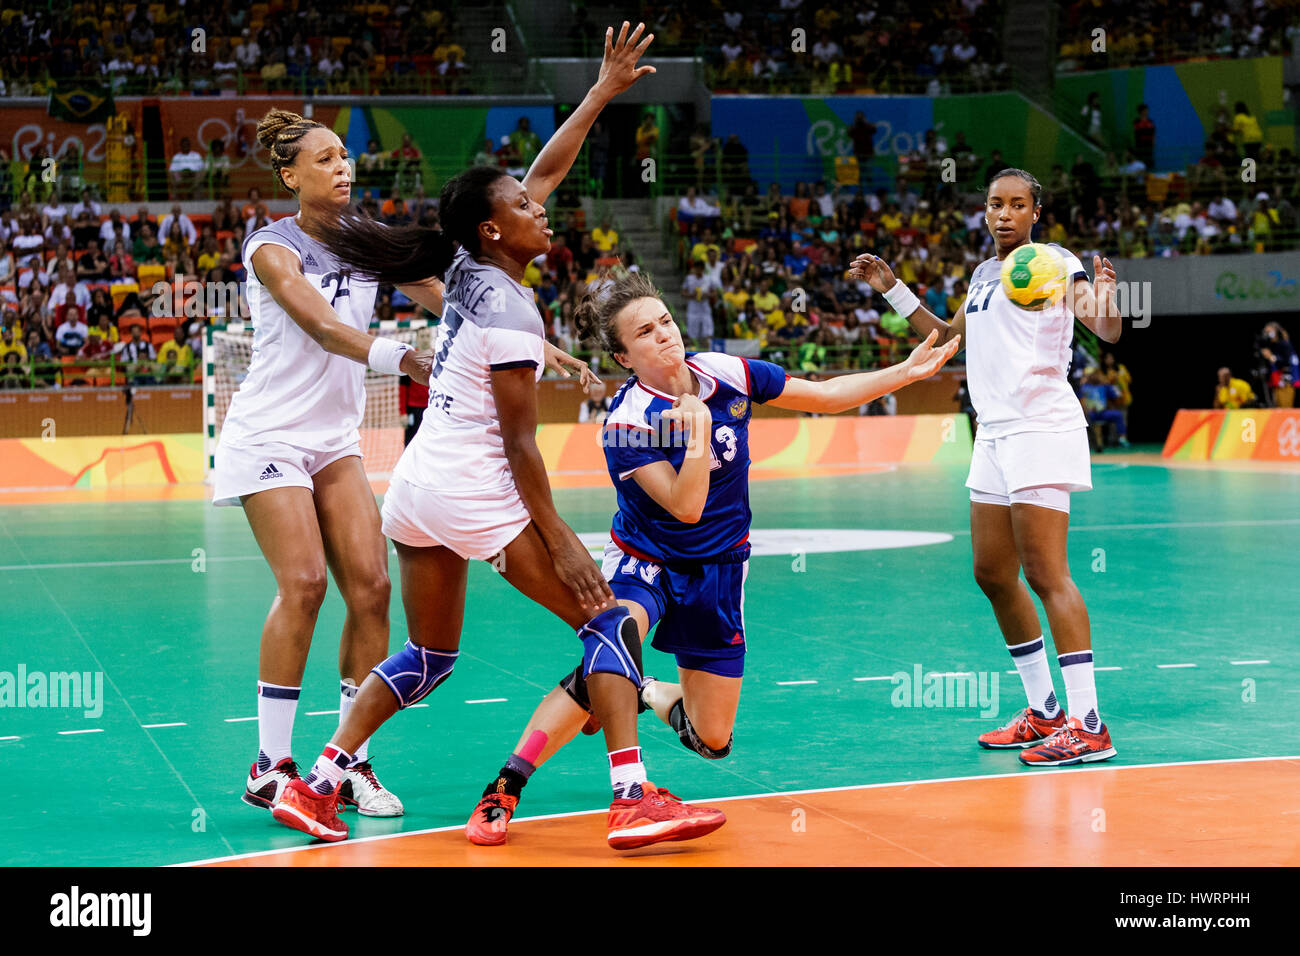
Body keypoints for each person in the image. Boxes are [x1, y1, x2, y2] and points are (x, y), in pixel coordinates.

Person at [267, 23, 728, 854]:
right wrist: (562, 540)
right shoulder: (513, 309)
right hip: (476, 489)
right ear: (492, 229)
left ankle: (317, 784)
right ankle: (632, 798)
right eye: (521, 207)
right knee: (610, 625)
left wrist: (597, 92)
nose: (538, 207)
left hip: (415, 489)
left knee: (428, 655)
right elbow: (520, 447)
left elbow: (541, 172)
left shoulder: (474, 268)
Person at [462, 270, 960, 845]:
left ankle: (639, 691)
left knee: (712, 740)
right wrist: (697, 432)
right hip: (646, 559)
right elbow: (686, 506)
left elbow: (819, 396)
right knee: (614, 633)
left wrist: (906, 371)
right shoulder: (625, 425)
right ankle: (506, 787)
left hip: (720, 572)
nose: (665, 336)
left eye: (666, 321)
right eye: (645, 333)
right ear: (624, 357)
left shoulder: (721, 372)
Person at [211, 107, 447, 821]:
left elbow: (445, 294)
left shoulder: (369, 239)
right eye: (325, 159)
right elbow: (320, 323)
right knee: (307, 582)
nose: (343, 167)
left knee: (373, 589)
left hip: (334, 441)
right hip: (268, 438)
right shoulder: (269, 247)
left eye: (346, 157)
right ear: (290, 176)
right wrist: (407, 357)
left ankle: (348, 761)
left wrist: (505, 330)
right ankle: (269, 765)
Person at [850, 167, 1123, 768]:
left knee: (1047, 574)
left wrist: (1107, 303)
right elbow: (949, 339)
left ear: (1035, 213)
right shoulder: (983, 275)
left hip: (1040, 427)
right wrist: (892, 289)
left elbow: (1104, 326)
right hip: (993, 433)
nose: (1003, 213)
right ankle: (1044, 709)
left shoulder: (1054, 262)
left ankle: (1089, 724)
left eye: (1017, 204)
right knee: (993, 573)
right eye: (995, 204)